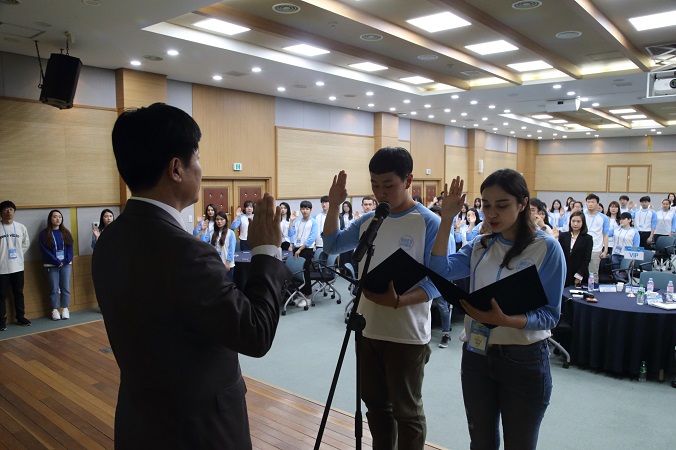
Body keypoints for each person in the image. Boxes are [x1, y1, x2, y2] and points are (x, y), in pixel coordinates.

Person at [92, 103, 289, 449]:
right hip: (199, 429)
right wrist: (266, 252)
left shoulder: (110, 239)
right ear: (176, 169)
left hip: (141, 420)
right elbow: (255, 333)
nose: (201, 167)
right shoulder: (187, 252)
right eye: (196, 157)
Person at [430, 170, 565, 450]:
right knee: (480, 442)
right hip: (477, 356)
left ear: (523, 203)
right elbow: (439, 270)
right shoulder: (480, 245)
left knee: (519, 443)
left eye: (502, 205)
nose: (491, 213)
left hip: (523, 359)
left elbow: (550, 314)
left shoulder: (547, 248)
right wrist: (446, 220)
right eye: (485, 204)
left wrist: (506, 320)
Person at [323, 147, 441, 449]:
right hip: (367, 329)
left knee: (408, 413)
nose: (380, 192)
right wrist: (334, 206)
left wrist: (401, 301)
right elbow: (332, 244)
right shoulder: (369, 220)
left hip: (407, 334)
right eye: (375, 185)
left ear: (408, 180)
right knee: (375, 407)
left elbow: (439, 281)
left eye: (388, 185)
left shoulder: (429, 223)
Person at [0, 200, 32, 330]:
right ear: (1, 212)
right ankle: (1, 320)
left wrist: (18, 255)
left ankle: (20, 317)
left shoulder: (20, 227)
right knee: (1, 295)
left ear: (14, 212)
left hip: (17, 267)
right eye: (6, 209)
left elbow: (26, 243)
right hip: (1, 268)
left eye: (11, 209)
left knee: (18, 293)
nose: (9, 211)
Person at [39, 210, 75, 321]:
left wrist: (65, 260)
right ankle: (54, 309)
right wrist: (56, 261)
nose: (58, 219)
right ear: (50, 219)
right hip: (51, 264)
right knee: (53, 288)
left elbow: (70, 248)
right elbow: (44, 250)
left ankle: (65, 308)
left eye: (60, 216)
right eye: (55, 217)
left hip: (65, 264)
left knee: (65, 287)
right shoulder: (44, 234)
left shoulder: (65, 232)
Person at [429, 205, 453, 348]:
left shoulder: (447, 236)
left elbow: (449, 258)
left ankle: (446, 334)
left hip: (440, 277)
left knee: (443, 306)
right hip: (426, 276)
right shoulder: (425, 233)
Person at [287, 200, 319, 307]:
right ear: (300, 209)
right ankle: (300, 295)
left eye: (307, 209)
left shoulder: (313, 222)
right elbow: (290, 233)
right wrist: (291, 221)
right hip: (297, 248)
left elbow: (311, 239)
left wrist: (300, 250)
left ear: (310, 210)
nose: (305, 211)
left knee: (305, 273)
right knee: (297, 273)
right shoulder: (297, 221)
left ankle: (308, 297)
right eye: (303, 208)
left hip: (306, 250)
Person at [558, 211, 593, 287]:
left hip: (579, 273)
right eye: (573, 221)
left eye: (578, 221)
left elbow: (587, 258)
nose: (575, 224)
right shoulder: (563, 236)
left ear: (583, 223)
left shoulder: (588, 238)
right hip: (565, 272)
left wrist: (579, 275)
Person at [608, 212, 640, 282]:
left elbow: (636, 246)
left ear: (629, 220)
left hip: (627, 256)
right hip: (615, 254)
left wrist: (633, 259)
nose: (621, 221)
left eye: (623, 219)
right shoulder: (616, 230)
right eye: (620, 219)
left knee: (624, 274)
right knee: (615, 273)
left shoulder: (634, 232)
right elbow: (606, 235)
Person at [584, 194, 609, 276]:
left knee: (593, 273)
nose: (590, 204)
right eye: (588, 202)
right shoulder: (582, 215)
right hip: (582, 247)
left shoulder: (604, 218)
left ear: (598, 204)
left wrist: (605, 250)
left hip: (596, 249)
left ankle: (593, 288)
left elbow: (605, 235)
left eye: (593, 202)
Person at [210, 211, 237, 280]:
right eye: (217, 219)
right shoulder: (212, 233)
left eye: (222, 219)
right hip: (215, 264)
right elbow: (204, 243)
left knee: (227, 284)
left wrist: (228, 262)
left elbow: (231, 249)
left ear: (226, 221)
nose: (219, 221)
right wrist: (203, 230)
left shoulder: (230, 233)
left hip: (227, 264)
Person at [654, 199, 676, 269]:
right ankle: (658, 264)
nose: (665, 205)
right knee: (658, 249)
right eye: (664, 204)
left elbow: (674, 223)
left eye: (667, 204)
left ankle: (664, 264)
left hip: (667, 233)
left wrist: (672, 232)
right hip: (657, 232)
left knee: (666, 250)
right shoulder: (658, 212)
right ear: (662, 204)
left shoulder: (672, 213)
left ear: (669, 205)